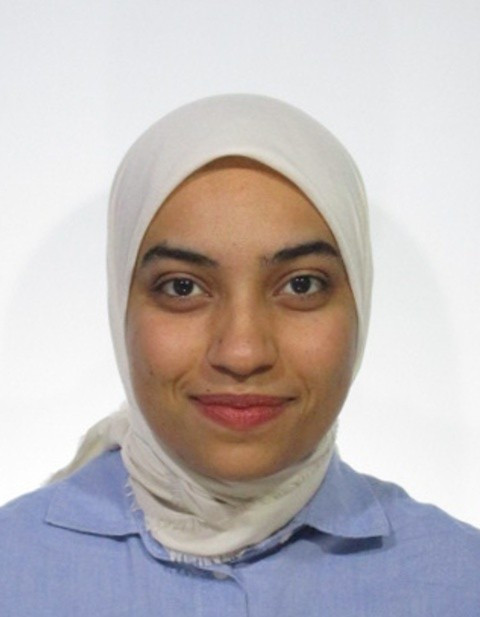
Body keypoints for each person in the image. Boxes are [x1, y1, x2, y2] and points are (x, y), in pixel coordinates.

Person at [0, 94, 479, 616]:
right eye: (183, 287)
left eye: (301, 284)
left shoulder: (459, 581)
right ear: (121, 304)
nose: (243, 352)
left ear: (360, 299)